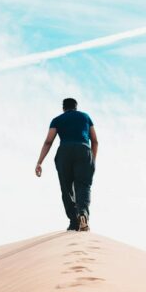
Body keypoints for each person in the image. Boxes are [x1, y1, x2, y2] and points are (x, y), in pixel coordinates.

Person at [35, 98, 98, 231]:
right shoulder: (85, 117)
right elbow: (95, 140)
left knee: (66, 188)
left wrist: (39, 162)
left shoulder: (57, 119)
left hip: (64, 152)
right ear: (76, 107)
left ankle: (74, 221)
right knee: (83, 186)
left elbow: (48, 141)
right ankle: (83, 214)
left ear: (63, 108)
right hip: (84, 150)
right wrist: (92, 160)